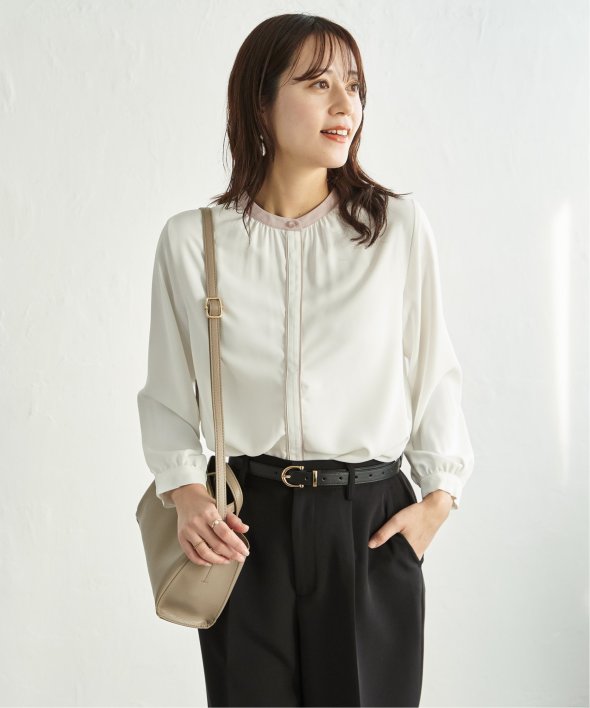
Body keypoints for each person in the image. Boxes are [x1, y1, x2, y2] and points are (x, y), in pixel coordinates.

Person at [136, 12, 474, 708]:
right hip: (247, 526)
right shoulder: (194, 242)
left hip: (368, 524)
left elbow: (433, 373)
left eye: (354, 85)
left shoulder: (394, 230)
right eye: (318, 84)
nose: (345, 104)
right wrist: (187, 493)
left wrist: (438, 500)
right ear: (260, 102)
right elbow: (168, 393)